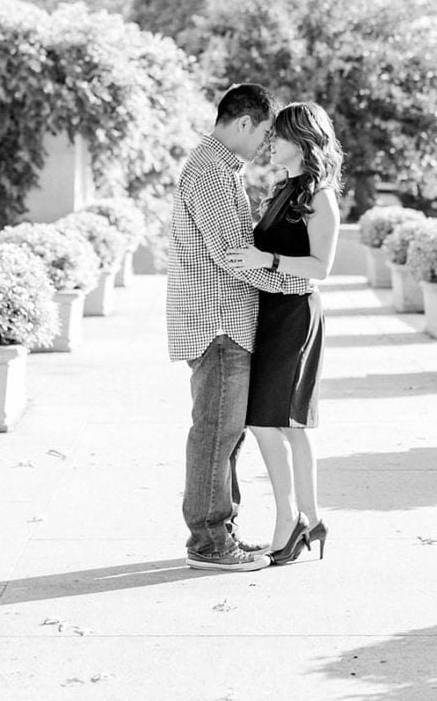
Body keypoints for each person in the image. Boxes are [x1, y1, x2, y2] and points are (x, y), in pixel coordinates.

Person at [168, 83, 308, 572]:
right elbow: (235, 258)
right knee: (215, 434)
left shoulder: (218, 168)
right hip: (218, 321)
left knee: (225, 434)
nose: (268, 142)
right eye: (266, 130)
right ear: (245, 123)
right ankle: (208, 543)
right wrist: (300, 281)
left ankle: (219, 534)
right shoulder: (210, 172)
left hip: (222, 319)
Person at [224, 101, 340, 567]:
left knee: (273, 421)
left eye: (281, 136)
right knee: (281, 423)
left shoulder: (320, 196)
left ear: (304, 140)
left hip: (294, 315)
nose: (272, 142)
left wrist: (264, 260)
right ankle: (307, 519)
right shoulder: (283, 188)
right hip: (271, 311)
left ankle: (291, 519)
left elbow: (321, 267)